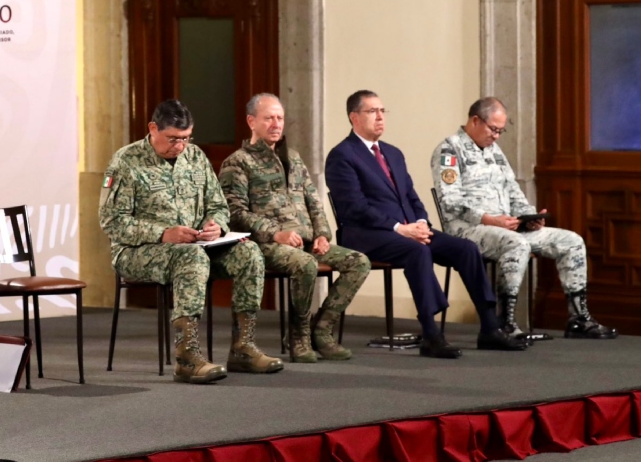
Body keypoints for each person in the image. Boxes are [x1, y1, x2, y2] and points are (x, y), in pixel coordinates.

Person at [324, 90, 527, 358]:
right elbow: (354, 207)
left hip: (409, 230)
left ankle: (489, 327)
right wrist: (399, 228)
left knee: (466, 248)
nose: (380, 117)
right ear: (354, 117)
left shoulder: (393, 153)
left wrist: (420, 222)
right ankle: (431, 334)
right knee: (417, 251)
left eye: (383, 111)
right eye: (372, 112)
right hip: (367, 234)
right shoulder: (342, 155)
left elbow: (411, 196)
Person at [99, 99, 283, 383]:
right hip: (137, 252)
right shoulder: (126, 161)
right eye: (173, 138)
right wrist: (163, 233)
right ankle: (187, 357)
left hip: (197, 246)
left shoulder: (196, 157)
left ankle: (243, 348)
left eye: (186, 138)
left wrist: (216, 226)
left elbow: (219, 206)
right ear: (153, 129)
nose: (180, 146)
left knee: (250, 255)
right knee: (192, 258)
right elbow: (112, 222)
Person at [431, 97, 617, 339]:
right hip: (467, 230)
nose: (497, 136)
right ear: (475, 120)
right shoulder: (449, 150)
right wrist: (491, 220)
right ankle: (505, 322)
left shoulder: (494, 151)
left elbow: (512, 190)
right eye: (493, 129)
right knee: (516, 244)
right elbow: (450, 202)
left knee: (571, 242)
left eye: (501, 130)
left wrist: (528, 215)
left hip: (507, 226)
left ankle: (579, 318)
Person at [220, 94, 370, 362]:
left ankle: (321, 331)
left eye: (280, 118)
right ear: (251, 121)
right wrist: (275, 232)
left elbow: (314, 201)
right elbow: (235, 213)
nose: (276, 124)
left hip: (306, 240)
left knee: (358, 262)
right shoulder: (238, 162)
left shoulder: (294, 158)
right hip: (265, 244)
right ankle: (298, 336)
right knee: (305, 265)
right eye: (269, 118)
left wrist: (323, 234)